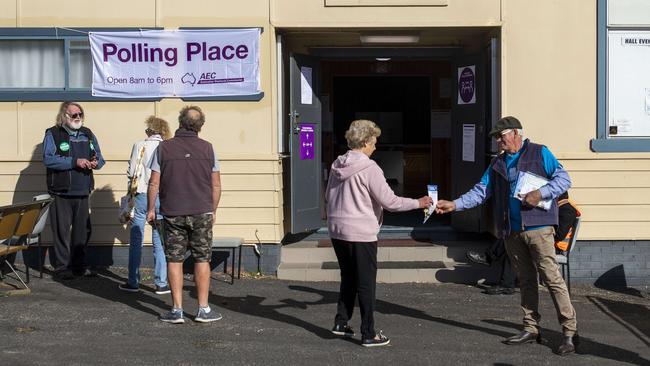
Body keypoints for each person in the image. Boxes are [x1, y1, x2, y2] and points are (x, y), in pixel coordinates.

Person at [435, 116, 579, 356]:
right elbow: (481, 191)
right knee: (525, 280)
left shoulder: (539, 152)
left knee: (552, 280)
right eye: (497, 138)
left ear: (515, 133)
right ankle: (531, 328)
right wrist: (455, 204)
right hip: (511, 231)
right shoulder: (497, 164)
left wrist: (540, 193)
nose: (498, 141)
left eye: (501, 136)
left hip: (539, 229)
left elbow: (564, 179)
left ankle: (569, 332)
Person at [326, 119, 433, 347]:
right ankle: (368, 333)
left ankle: (341, 322)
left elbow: (328, 196)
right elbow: (390, 202)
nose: (375, 146)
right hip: (361, 232)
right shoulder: (370, 168)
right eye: (373, 141)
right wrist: (419, 202)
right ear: (365, 142)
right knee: (366, 283)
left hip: (337, 230)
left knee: (348, 277)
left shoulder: (337, 164)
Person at [147, 106, 222, 324]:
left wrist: (152, 208)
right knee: (202, 258)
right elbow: (216, 185)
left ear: (180, 121)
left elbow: (153, 182)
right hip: (202, 211)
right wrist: (213, 209)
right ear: (200, 125)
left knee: (174, 258)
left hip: (172, 212)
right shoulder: (208, 149)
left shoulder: (164, 148)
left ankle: (177, 309)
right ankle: (203, 308)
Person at [43, 101, 105, 280]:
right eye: (74, 115)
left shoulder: (88, 134)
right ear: (64, 116)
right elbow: (48, 159)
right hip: (61, 192)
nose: (78, 118)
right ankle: (62, 268)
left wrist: (95, 163)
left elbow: (100, 158)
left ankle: (79, 266)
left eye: (80, 114)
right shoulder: (53, 134)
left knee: (82, 232)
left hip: (83, 191)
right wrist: (74, 162)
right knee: (62, 232)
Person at [119, 116, 172, 295]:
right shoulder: (167, 146)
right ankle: (161, 282)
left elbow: (132, 171)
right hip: (161, 196)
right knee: (159, 239)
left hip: (141, 194)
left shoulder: (139, 145)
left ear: (149, 130)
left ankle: (133, 281)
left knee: (136, 239)